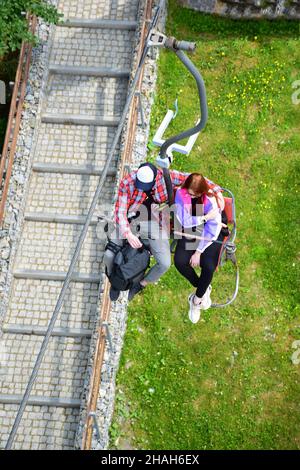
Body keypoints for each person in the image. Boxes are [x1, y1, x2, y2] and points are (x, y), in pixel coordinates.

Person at [104, 163, 224, 302]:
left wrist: (217, 191)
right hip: (129, 220)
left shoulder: (165, 176)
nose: (142, 189)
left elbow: (195, 180)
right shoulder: (127, 183)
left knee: (164, 263)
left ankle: (140, 284)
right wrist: (128, 234)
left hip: (153, 222)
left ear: (155, 178)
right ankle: (115, 280)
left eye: (146, 187)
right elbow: (120, 211)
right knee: (109, 254)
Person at [173, 173, 227, 323]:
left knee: (208, 266)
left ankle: (196, 300)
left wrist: (198, 252)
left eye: (195, 194)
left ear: (201, 191)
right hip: (192, 228)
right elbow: (186, 221)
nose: (191, 196)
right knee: (179, 261)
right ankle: (203, 289)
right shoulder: (181, 193)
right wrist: (204, 217)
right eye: (189, 192)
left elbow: (212, 230)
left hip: (210, 232)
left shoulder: (210, 201)